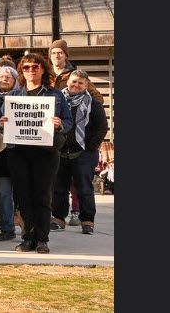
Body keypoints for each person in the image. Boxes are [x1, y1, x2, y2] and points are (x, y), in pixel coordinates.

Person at [3, 52, 70, 254]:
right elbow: (4, 125)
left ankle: (42, 238)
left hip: (46, 152)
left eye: (35, 67)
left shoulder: (55, 95)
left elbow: (68, 122)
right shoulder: (13, 97)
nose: (31, 70)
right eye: (26, 67)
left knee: (41, 195)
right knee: (22, 196)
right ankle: (27, 237)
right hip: (19, 152)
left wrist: (59, 125)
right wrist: (2, 123)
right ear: (22, 71)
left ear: (43, 69)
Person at [53, 70, 109, 235]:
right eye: (74, 81)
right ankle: (58, 219)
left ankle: (87, 221)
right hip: (60, 151)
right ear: (68, 82)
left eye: (80, 83)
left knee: (84, 188)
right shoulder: (57, 101)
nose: (76, 85)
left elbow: (101, 128)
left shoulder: (94, 104)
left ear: (86, 85)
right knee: (59, 188)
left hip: (83, 153)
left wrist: (90, 147)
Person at [0, 65, 23, 241]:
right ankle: (7, 228)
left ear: (16, 80)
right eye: (1, 76)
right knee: (3, 192)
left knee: (23, 193)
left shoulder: (24, 97)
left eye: (9, 76)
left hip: (21, 152)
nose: (5, 79)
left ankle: (27, 227)